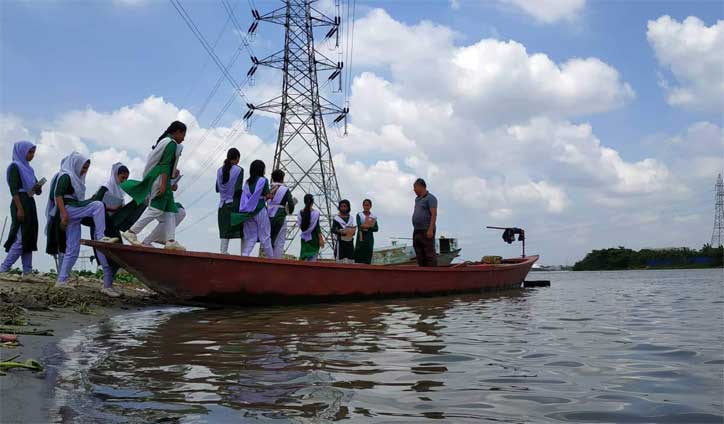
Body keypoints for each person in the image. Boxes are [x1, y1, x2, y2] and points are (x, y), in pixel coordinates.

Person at [46, 152, 118, 294]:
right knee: (97, 205)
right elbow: (58, 195)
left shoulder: (75, 179)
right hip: (68, 208)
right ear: (76, 164)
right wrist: (64, 214)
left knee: (73, 249)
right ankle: (100, 235)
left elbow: (77, 199)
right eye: (83, 167)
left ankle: (62, 280)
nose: (84, 171)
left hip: (72, 211)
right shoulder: (66, 176)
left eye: (86, 168)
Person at [121, 121, 186, 250]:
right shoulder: (171, 144)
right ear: (177, 132)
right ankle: (132, 232)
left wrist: (173, 173)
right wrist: (163, 184)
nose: (184, 138)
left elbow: (165, 165)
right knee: (155, 209)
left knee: (170, 211)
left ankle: (170, 240)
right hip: (160, 179)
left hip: (161, 178)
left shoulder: (164, 141)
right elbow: (164, 165)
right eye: (183, 134)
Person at [1, 141, 42, 280]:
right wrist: (19, 208)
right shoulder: (14, 167)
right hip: (21, 202)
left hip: (30, 202)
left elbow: (37, 190)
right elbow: (14, 190)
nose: (32, 155)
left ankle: (27, 272)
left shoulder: (29, 169)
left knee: (29, 237)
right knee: (21, 237)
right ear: (22, 152)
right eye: (30, 152)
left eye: (33, 153)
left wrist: (38, 187)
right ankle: (4, 268)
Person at [231, 159, 274, 257]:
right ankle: (272, 260)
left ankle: (245, 255)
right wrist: (272, 193)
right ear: (261, 170)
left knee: (251, 237)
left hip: (248, 213)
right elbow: (267, 195)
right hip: (260, 210)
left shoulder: (247, 182)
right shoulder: (263, 180)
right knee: (265, 237)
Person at [216, 148, 244, 254]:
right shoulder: (239, 170)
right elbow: (238, 189)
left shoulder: (219, 170)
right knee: (242, 228)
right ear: (237, 158)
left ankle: (223, 251)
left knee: (224, 230)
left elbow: (217, 188)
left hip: (222, 205)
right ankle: (244, 253)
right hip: (234, 204)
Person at [267, 169, 295, 259]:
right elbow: (291, 204)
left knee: (269, 239)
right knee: (280, 241)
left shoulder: (268, 187)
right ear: (282, 179)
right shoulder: (285, 190)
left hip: (267, 214)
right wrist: (289, 211)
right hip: (280, 215)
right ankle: (276, 261)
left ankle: (268, 259)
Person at [412, 178, 438, 267]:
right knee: (419, 252)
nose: (414, 190)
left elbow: (434, 214)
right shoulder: (417, 199)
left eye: (415, 187)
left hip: (426, 229)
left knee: (429, 253)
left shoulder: (431, 198)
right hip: (417, 230)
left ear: (421, 187)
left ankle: (432, 273)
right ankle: (422, 270)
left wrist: (430, 229)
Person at [297, 194, 324, 261]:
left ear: (304, 202)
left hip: (304, 238)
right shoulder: (316, 213)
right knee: (312, 260)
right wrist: (321, 239)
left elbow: (301, 226)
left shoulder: (300, 213)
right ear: (313, 202)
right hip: (314, 239)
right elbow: (317, 227)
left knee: (304, 258)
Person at [354, 199, 378, 264]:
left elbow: (376, 228)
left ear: (370, 206)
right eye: (365, 205)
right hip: (361, 238)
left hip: (369, 239)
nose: (366, 207)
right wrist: (369, 227)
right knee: (359, 256)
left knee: (368, 256)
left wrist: (367, 227)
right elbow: (359, 226)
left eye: (368, 205)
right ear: (363, 206)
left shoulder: (373, 217)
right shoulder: (359, 215)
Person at [332, 199, 355, 263]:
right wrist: (340, 232)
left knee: (350, 261)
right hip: (341, 242)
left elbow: (352, 227)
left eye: (345, 206)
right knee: (340, 261)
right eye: (341, 206)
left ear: (348, 207)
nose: (343, 208)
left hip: (350, 242)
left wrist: (353, 232)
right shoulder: (336, 218)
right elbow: (333, 229)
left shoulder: (351, 218)